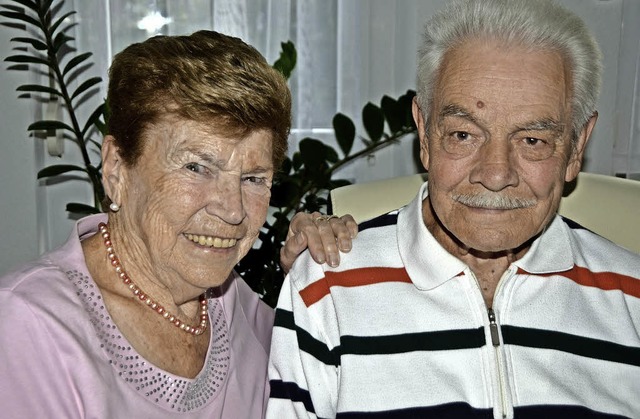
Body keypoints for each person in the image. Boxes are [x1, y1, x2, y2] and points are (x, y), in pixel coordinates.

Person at [266, 0, 640, 417]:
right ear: (424, 133)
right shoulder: (324, 291)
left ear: (576, 147)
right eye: (464, 134)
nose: (495, 174)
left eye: (532, 140)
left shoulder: (633, 299)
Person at [0, 30, 357, 418]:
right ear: (116, 169)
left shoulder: (234, 304)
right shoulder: (27, 326)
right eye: (196, 167)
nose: (234, 210)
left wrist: (313, 278)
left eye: (253, 178)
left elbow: (349, 384)